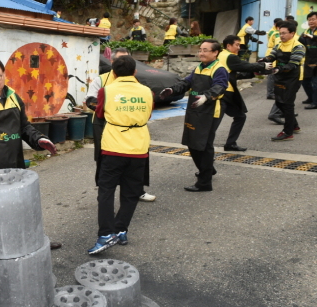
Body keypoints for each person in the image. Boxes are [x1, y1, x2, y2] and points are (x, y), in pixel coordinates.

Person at [0, 58, 61, 250]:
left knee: (24, 208)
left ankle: (35, 243)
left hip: (16, 167)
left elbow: (24, 127)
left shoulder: (15, 98)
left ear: (4, 76)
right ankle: (3, 251)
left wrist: (39, 140)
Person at [87, 55, 154, 255]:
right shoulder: (147, 91)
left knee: (106, 191)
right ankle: (121, 229)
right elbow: (148, 114)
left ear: (113, 73)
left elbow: (99, 114)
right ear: (135, 72)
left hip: (113, 148)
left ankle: (106, 234)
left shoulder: (106, 91)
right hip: (139, 148)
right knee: (131, 192)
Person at [85, 48, 156, 202]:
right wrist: (109, 111)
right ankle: (105, 190)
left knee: (138, 157)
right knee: (105, 158)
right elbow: (90, 100)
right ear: (112, 63)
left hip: (132, 124)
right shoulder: (101, 80)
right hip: (104, 123)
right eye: (120, 60)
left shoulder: (136, 80)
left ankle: (137, 190)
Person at [160, 39, 229, 192]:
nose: (201, 53)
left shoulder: (219, 69)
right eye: (200, 50)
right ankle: (208, 169)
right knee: (192, 143)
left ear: (215, 52)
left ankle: (204, 182)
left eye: (205, 50)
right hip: (194, 110)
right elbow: (187, 83)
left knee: (203, 146)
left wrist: (206, 97)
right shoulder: (199, 67)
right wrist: (172, 90)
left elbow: (220, 86)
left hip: (209, 112)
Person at [218, 35, 272, 152]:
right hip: (225, 93)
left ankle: (230, 144)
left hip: (224, 93)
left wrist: (253, 73)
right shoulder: (230, 57)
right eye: (237, 45)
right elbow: (244, 66)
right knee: (216, 122)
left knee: (240, 116)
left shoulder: (221, 55)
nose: (239, 48)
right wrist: (262, 65)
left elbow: (235, 74)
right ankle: (204, 147)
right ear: (228, 46)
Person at [262, 21, 305, 141]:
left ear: (292, 33)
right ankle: (294, 126)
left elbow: (292, 64)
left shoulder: (298, 46)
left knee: (287, 104)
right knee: (280, 102)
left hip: (292, 78)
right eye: (280, 33)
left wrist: (278, 69)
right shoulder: (279, 44)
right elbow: (272, 56)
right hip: (280, 76)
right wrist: (264, 60)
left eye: (284, 33)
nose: (281, 36)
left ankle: (288, 132)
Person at [299, 11, 317, 110]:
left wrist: (313, 37)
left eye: (313, 19)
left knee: (315, 83)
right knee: (305, 81)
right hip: (308, 60)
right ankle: (310, 98)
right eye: (309, 20)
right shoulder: (306, 32)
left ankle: (315, 102)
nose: (311, 21)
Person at [265, 18, 283, 100]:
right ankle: (270, 93)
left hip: (271, 52)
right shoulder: (277, 34)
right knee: (272, 74)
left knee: (272, 74)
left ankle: (272, 92)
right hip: (273, 53)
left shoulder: (272, 32)